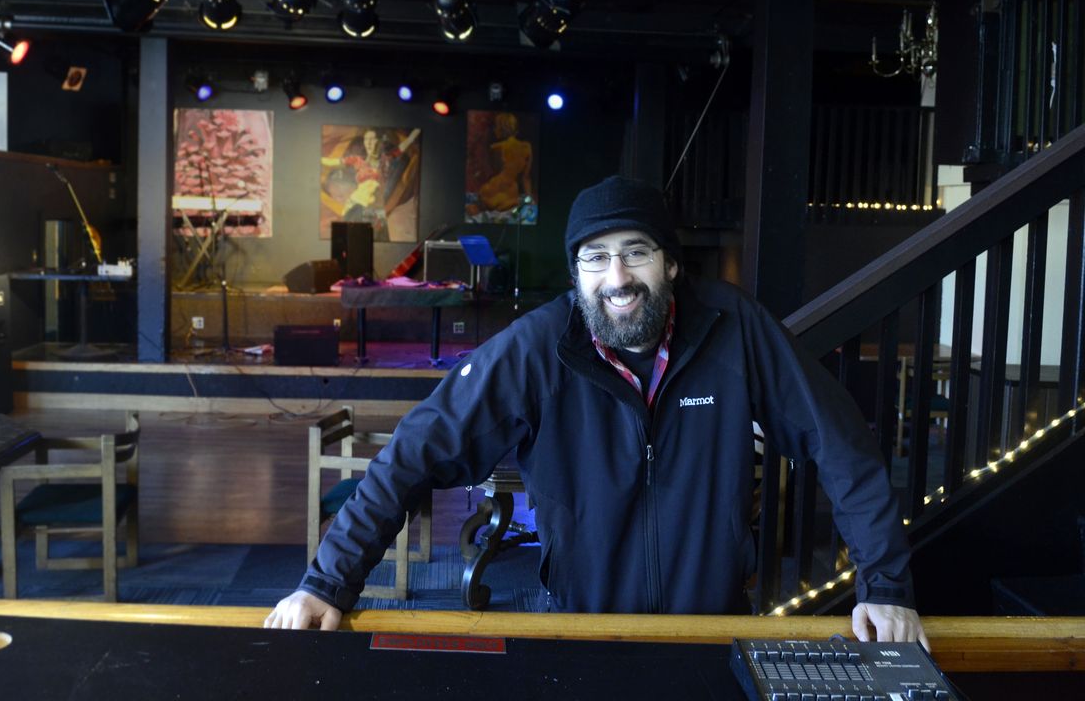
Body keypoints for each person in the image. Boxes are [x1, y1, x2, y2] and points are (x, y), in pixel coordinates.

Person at [265, 175, 927, 649]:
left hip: (714, 632)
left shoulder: (737, 329)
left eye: (636, 252)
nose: (618, 277)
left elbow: (844, 446)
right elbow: (410, 456)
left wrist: (887, 588)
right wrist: (325, 585)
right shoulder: (536, 348)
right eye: (596, 258)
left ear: (669, 262)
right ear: (577, 273)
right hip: (577, 632)